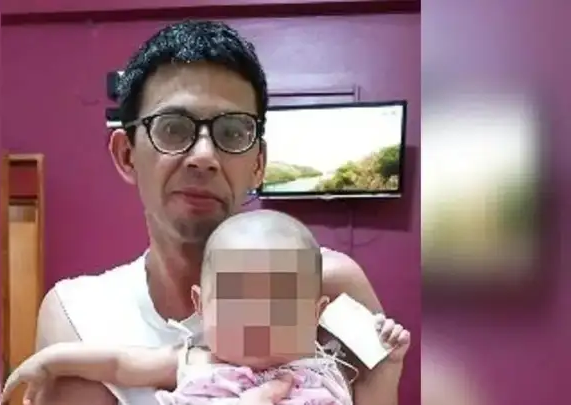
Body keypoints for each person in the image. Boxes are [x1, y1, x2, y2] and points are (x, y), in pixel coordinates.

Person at [28, 20, 400, 405]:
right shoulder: (80, 315)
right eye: (173, 128)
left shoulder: (330, 286)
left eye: (232, 132)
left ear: (259, 163)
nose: (204, 156)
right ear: (126, 154)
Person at [5, 211, 410, 405]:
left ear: (315, 313)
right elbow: (118, 362)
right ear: (202, 305)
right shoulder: (192, 359)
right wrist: (51, 361)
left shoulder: (325, 369)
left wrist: (388, 367)